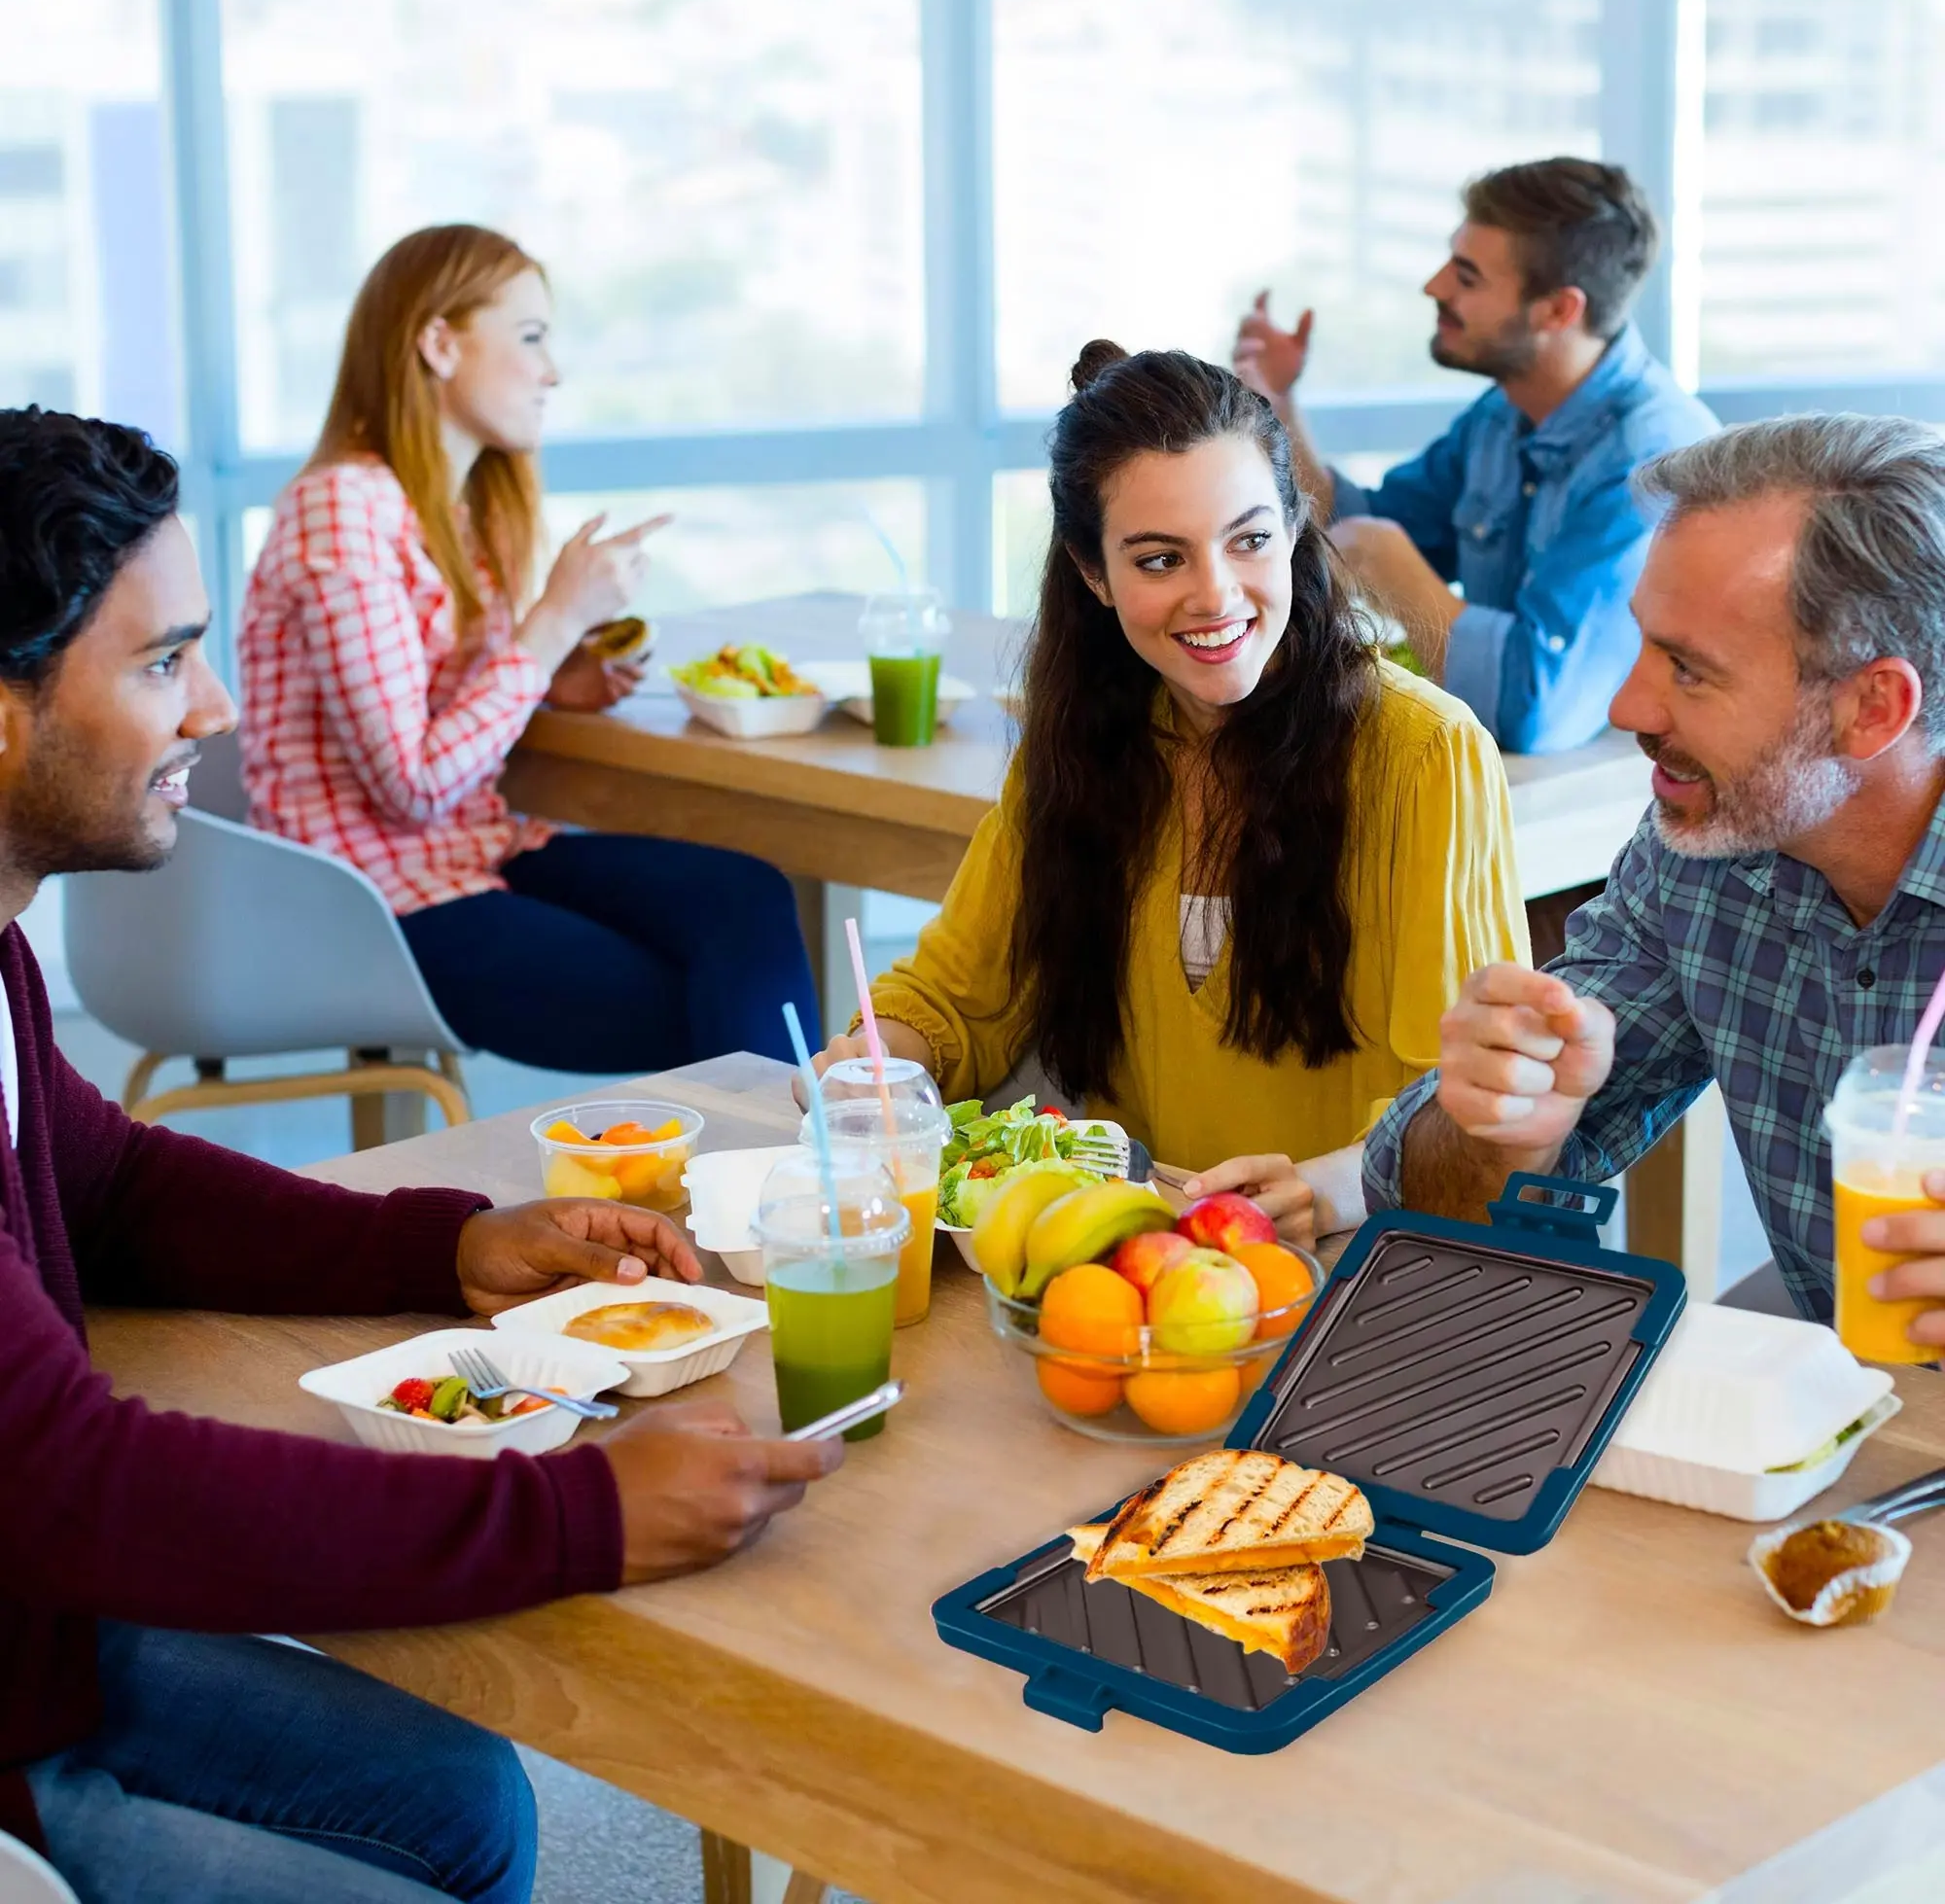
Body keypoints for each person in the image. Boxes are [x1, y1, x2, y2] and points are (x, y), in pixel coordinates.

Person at [0, 407, 840, 1900]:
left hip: (38, 1638)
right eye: (158, 661)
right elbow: (81, 1487)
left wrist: (447, 1241)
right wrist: (580, 1513)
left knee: (467, 1805)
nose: (212, 709)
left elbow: (109, 1180)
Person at [811, 343, 1529, 1249]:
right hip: (1135, 1267)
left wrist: (1331, 1188)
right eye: (1160, 560)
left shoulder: (1429, 755)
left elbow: (1466, 1106)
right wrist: (879, 1068)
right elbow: (957, 997)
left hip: (1360, 1270)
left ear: (1297, 527)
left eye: (1250, 539)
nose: (1217, 595)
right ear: (1092, 573)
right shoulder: (1083, 745)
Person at [1362, 413, 1945, 1338]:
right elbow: (1430, 1209)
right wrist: (1497, 1124)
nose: (1628, 703)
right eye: (1644, 644)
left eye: (1690, 670)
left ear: (1872, 708)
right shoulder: (1706, 853)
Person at [239, 224, 816, 1075]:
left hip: (477, 853)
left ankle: (772, 1183)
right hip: (377, 903)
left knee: (750, 901)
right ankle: (778, 1190)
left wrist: (552, 677)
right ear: (438, 342)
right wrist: (549, 624)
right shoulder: (342, 509)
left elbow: (423, 699)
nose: (553, 371)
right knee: (713, 1001)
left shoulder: (457, 509)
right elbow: (412, 785)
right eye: (532, 337)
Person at [1232, 157, 1717, 760]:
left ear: (1558, 311)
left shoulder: (1650, 460)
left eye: (1466, 276)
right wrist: (1276, 402)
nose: (1434, 287)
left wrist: (1391, 564)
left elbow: (1533, 710)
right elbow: (1341, 524)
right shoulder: (1503, 414)